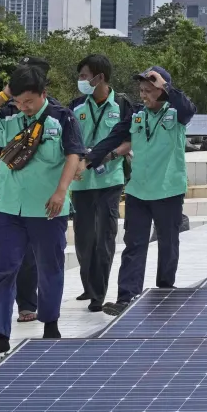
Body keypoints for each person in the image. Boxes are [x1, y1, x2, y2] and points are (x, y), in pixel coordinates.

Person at [0, 65, 84, 357]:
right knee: (2, 271)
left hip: (46, 208)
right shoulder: (10, 119)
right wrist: (5, 94)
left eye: (29, 101)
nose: (24, 107)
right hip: (8, 208)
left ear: (44, 94)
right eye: (18, 101)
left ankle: (50, 325)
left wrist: (61, 192)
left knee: (49, 268)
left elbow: (74, 155)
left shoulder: (61, 118)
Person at [87, 67, 196, 316]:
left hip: (168, 190)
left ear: (161, 89)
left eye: (149, 90)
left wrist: (166, 87)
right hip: (138, 190)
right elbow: (114, 138)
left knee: (168, 243)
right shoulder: (137, 114)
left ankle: (165, 288)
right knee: (134, 244)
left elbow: (190, 110)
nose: (144, 95)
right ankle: (126, 296)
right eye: (142, 90)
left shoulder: (176, 113)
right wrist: (90, 159)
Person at [0, 56, 55, 327]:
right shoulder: (8, 113)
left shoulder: (56, 115)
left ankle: (28, 304)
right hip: (5, 195)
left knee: (27, 254)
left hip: (35, 196)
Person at [68, 55, 133, 312]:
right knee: (84, 240)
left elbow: (132, 139)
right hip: (82, 181)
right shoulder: (75, 107)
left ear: (100, 78)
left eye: (84, 76)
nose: (81, 81)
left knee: (105, 237)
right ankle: (89, 285)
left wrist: (111, 154)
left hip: (110, 179)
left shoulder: (123, 104)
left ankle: (98, 294)